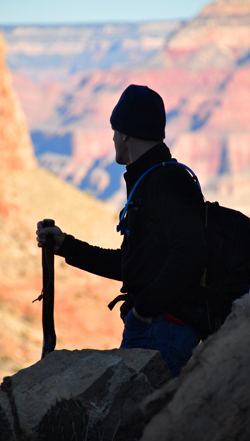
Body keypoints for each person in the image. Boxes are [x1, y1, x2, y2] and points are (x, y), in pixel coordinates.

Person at [36, 84, 207, 377]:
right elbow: (135, 266)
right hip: (158, 328)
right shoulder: (151, 179)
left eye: (114, 131)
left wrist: (143, 310)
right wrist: (66, 246)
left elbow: (190, 254)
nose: (113, 138)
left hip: (161, 330)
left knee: (142, 420)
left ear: (125, 132)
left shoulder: (164, 182)